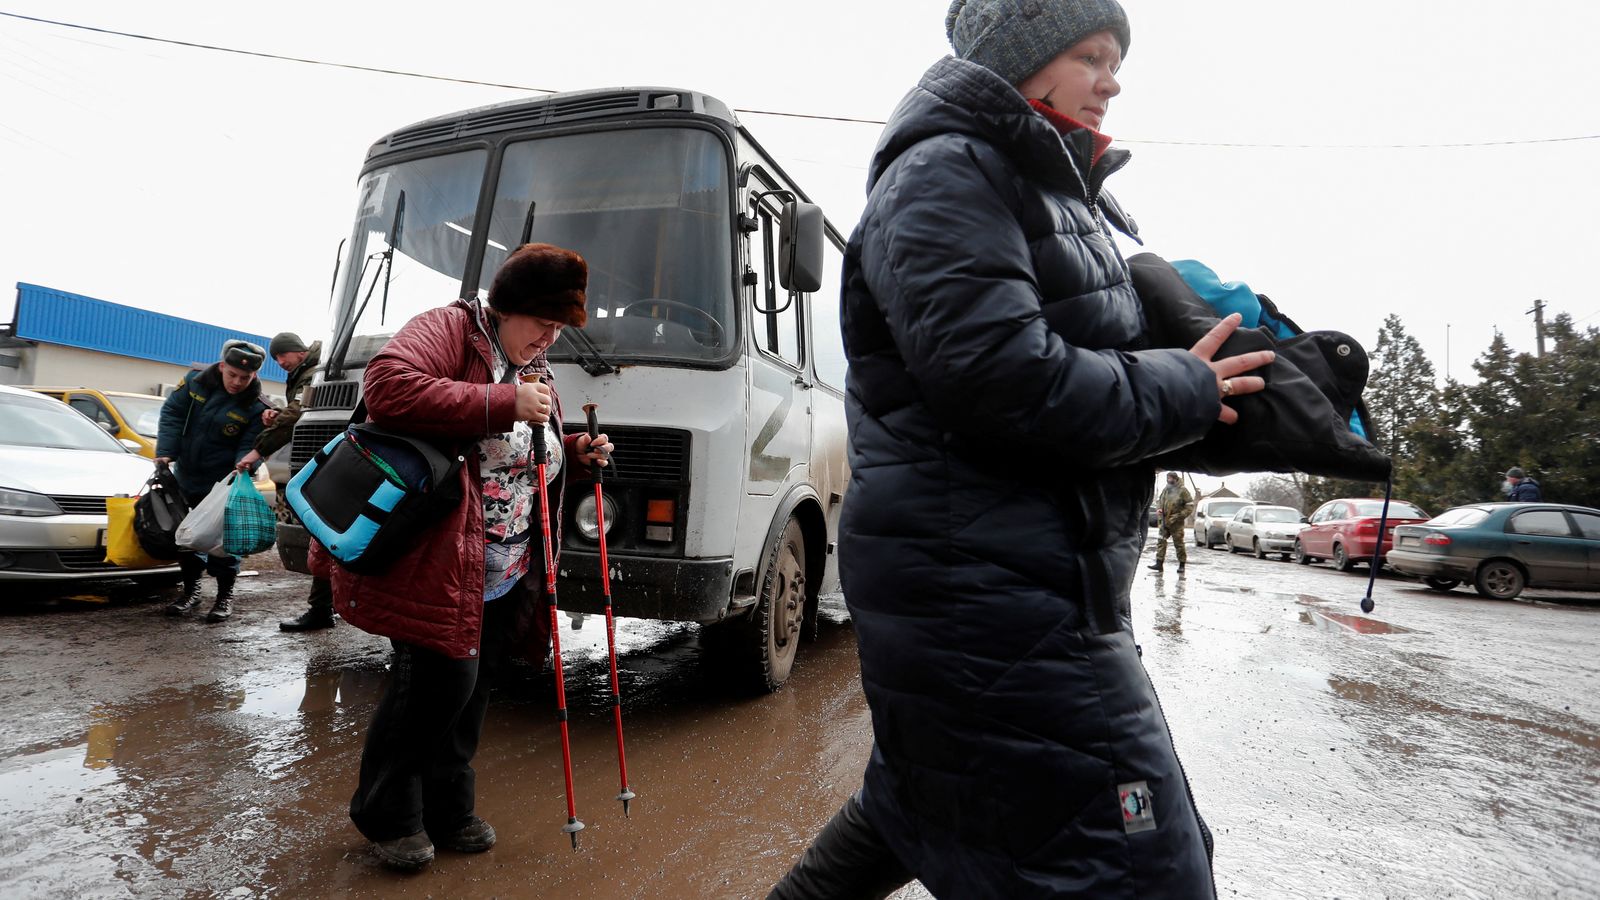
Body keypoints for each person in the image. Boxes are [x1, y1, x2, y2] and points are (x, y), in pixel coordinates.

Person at [768, 2, 1275, 897]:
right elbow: (1002, 377)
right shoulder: (947, 173)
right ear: (1023, 61)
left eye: (1117, 60)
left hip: (1022, 585)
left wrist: (1212, 401)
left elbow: (1076, 384)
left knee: (921, 802)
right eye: (1092, 55)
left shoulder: (1049, 190)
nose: (1113, 80)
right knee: (1143, 868)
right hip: (991, 598)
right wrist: (1182, 389)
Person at [325, 242, 613, 871]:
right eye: (542, 324)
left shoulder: (532, 364)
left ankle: (447, 809)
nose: (548, 339)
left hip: (504, 566)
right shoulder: (448, 328)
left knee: (472, 689)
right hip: (437, 558)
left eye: (559, 329)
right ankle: (387, 815)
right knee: (429, 689)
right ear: (507, 308)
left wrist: (570, 447)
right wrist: (500, 402)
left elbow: (512, 445)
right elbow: (388, 387)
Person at [155, 339, 270, 622]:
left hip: (224, 482)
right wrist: (165, 452)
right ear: (222, 367)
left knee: (223, 542)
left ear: (254, 376)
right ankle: (190, 592)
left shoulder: (257, 406)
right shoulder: (195, 381)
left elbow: (254, 443)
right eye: (232, 374)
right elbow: (172, 413)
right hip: (187, 474)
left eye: (246, 377)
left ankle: (223, 597)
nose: (237, 382)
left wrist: (245, 464)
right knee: (186, 535)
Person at [229, 331, 337, 633]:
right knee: (328, 538)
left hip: (329, 462)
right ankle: (325, 608)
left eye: (282, 356)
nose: (280, 362)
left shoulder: (321, 370)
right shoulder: (315, 368)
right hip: (324, 462)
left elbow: (298, 413)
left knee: (328, 538)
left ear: (298, 351)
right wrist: (279, 414)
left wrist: (258, 450)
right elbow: (299, 412)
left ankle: (322, 610)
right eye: (275, 358)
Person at [1149, 471, 1195, 573]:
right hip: (1164, 521)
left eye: (1170, 478)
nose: (1169, 480)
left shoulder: (1183, 490)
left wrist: (1179, 516)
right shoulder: (1166, 489)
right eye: (1167, 478)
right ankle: (1159, 563)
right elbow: (1159, 500)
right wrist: (1159, 508)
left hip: (1176, 522)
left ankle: (1182, 565)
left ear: (1175, 478)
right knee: (1161, 541)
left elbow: (1190, 505)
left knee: (1178, 544)